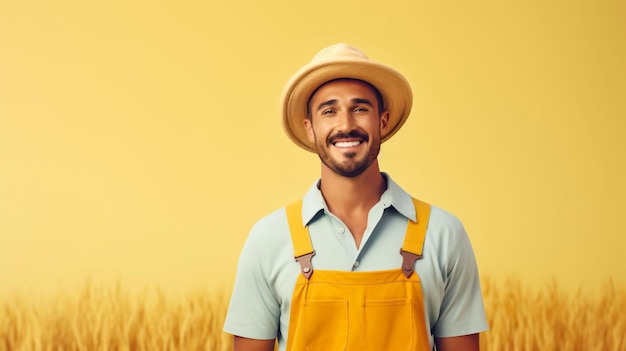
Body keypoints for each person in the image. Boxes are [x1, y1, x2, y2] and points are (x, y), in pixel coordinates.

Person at [223, 43, 488, 351]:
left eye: (360, 109)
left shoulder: (444, 235)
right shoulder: (268, 239)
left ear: (383, 122)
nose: (346, 125)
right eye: (329, 111)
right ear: (310, 129)